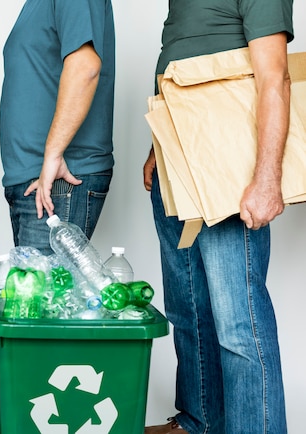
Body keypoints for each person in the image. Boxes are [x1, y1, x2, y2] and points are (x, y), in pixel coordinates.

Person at [143, 1, 293, 433]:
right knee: (187, 310)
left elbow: (274, 78)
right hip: (179, 162)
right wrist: (160, 148)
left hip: (229, 168)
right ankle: (199, 422)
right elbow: (185, 70)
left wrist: (267, 180)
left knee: (238, 324)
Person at [0, 0, 115, 255]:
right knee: (36, 292)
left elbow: (85, 67)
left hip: (59, 179)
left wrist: (52, 154)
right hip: (35, 179)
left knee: (48, 294)